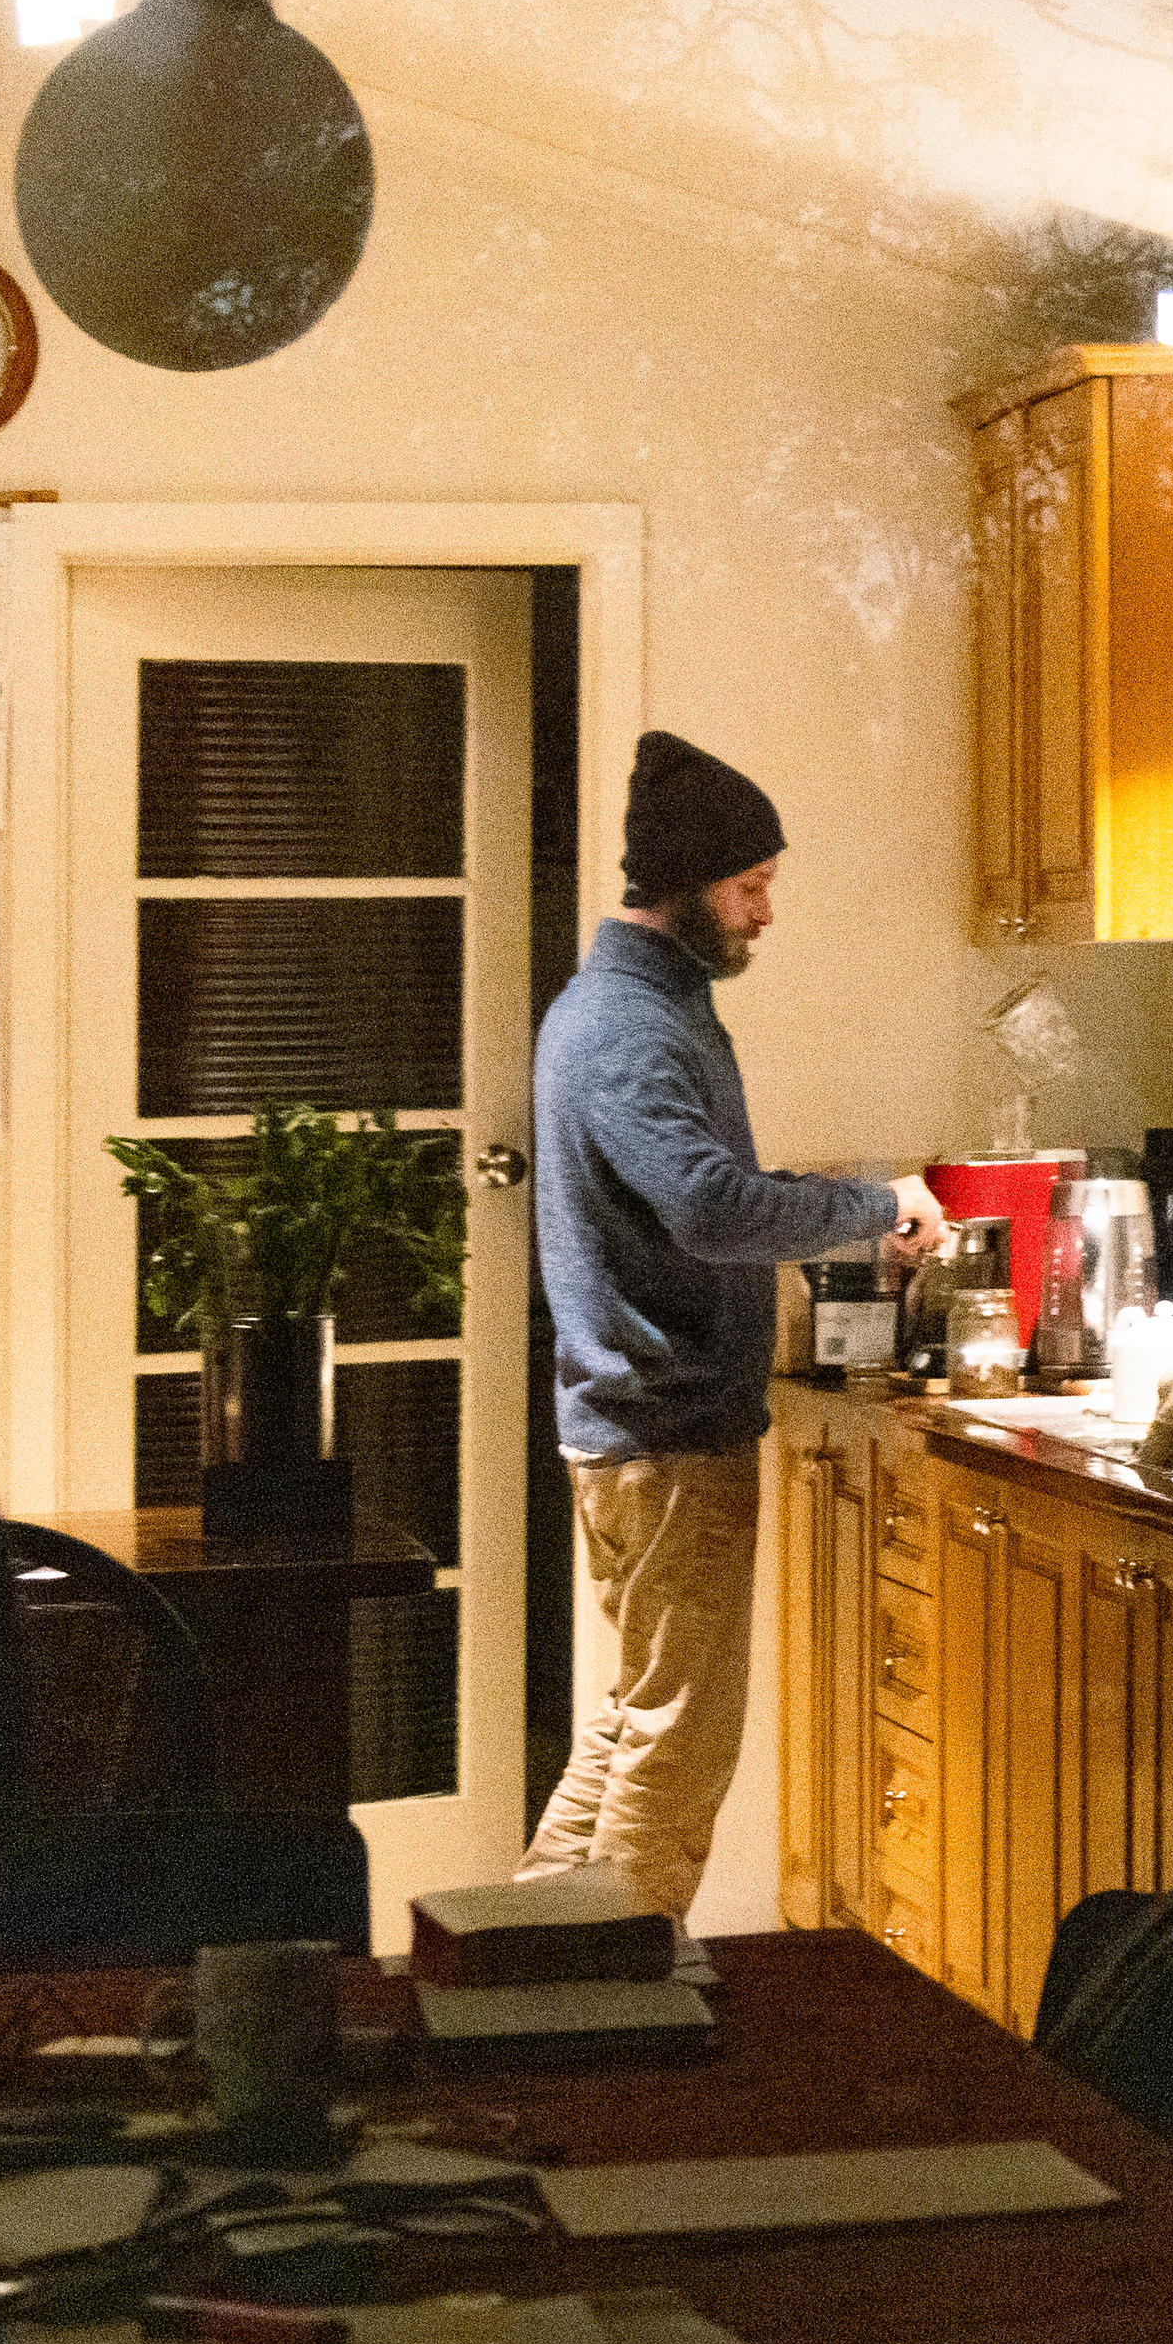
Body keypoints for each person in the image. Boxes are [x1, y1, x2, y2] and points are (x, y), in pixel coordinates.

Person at [523, 729, 936, 1912]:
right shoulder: (628, 1026)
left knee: (635, 1717)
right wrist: (869, 1207)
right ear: (686, 883)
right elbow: (705, 1205)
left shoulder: (635, 1006)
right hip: (665, 1434)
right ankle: (613, 1998)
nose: (764, 915)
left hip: (639, 1427)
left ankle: (522, 1955)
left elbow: (689, 1194)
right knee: (679, 1742)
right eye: (750, 888)